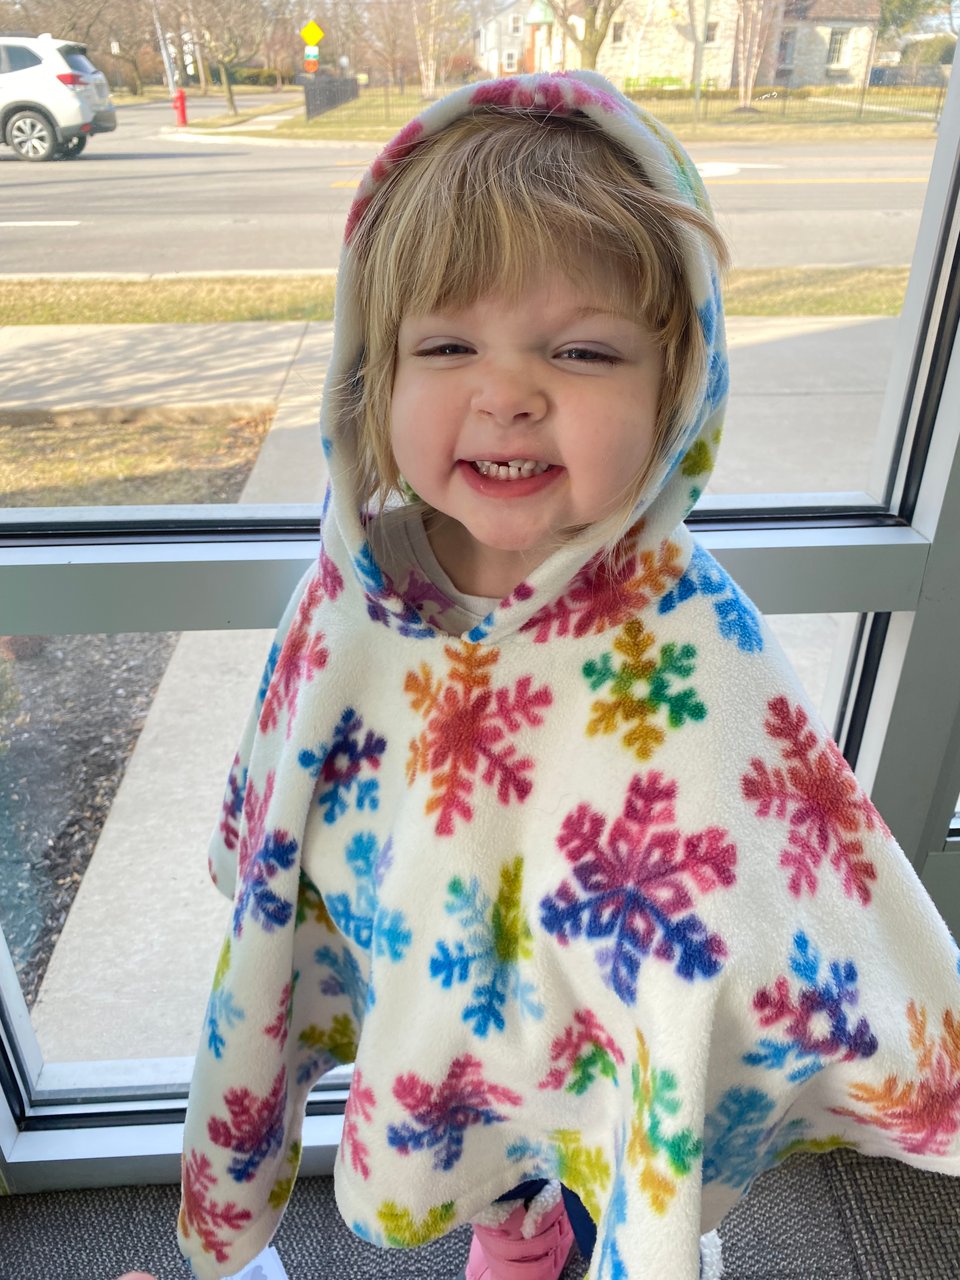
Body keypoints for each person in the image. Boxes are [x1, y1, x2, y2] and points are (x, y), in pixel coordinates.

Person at [173, 70, 960, 1280]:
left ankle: (576, 1226)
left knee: (601, 1130)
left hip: (597, 1039)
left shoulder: (690, 633)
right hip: (444, 1000)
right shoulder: (352, 597)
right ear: (372, 377)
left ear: (677, 386)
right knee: (474, 1099)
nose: (508, 393)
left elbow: (804, 867)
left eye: (582, 350)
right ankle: (509, 1217)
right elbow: (287, 801)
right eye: (445, 343)